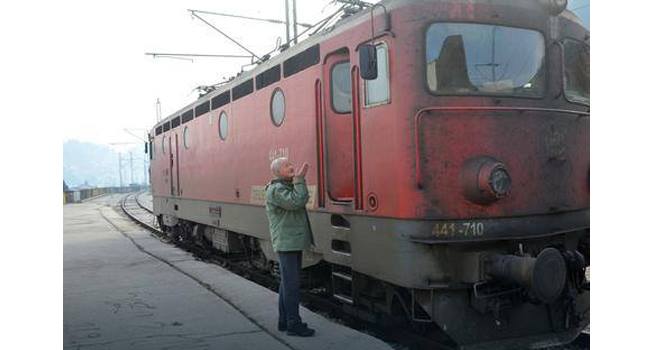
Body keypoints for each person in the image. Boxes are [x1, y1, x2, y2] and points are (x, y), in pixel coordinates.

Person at [265, 157, 316, 337]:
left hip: (290, 241)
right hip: (287, 243)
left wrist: (298, 181)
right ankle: (294, 324)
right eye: (287, 165)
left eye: (290, 164)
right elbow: (297, 202)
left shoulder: (283, 187)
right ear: (278, 171)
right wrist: (300, 179)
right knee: (292, 284)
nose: (291, 167)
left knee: (287, 284)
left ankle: (284, 321)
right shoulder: (277, 189)